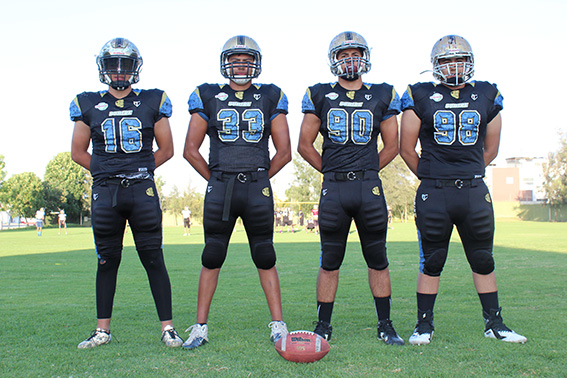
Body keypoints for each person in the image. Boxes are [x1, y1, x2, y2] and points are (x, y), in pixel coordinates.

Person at [399, 35, 527, 345]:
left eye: (459, 60)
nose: (454, 66)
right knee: (432, 260)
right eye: (446, 61)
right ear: (435, 66)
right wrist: (432, 177)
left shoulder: (487, 93)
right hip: (435, 192)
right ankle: (424, 326)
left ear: (469, 63)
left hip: (472, 190)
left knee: (483, 258)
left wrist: (465, 172)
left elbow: (491, 150)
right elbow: (406, 149)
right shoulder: (420, 94)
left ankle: (494, 324)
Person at [70, 37, 183, 349]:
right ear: (103, 68)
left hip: (140, 189)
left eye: (125, 65)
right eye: (113, 64)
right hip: (106, 192)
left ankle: (168, 329)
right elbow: (77, 152)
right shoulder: (87, 103)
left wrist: (140, 169)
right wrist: (107, 171)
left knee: (154, 259)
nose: (119, 71)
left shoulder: (152, 100)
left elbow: (167, 149)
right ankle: (102, 331)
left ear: (135, 68)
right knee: (107, 261)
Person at [182, 35, 291, 349]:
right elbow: (191, 150)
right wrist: (217, 178)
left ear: (255, 63)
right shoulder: (208, 95)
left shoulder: (270, 95)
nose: (240, 65)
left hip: (256, 185)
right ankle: (200, 327)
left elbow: (284, 152)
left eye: (246, 60)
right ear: (225, 63)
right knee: (212, 255)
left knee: (265, 254)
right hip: (222, 186)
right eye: (234, 60)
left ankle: (278, 325)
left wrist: (255, 179)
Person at [298, 31, 404, 345]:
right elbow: (305, 145)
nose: (350, 59)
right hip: (335, 189)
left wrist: (367, 171)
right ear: (334, 60)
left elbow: (393, 145)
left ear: (366, 57)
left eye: (355, 53)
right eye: (344, 54)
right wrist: (332, 172)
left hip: (368, 187)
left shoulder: (382, 93)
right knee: (330, 260)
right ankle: (323, 325)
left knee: (378, 257)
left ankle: (385, 324)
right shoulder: (319, 93)